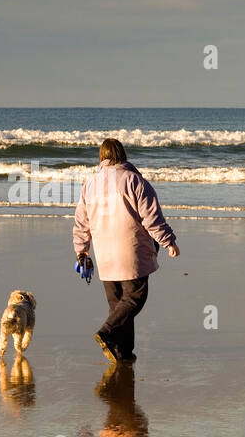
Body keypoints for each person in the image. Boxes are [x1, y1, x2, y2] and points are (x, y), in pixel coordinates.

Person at [72, 138, 179, 362]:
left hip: (104, 254)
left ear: (101, 158)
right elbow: (152, 219)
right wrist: (169, 242)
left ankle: (122, 352)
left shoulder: (89, 184)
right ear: (122, 155)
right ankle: (107, 331)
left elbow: (82, 222)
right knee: (135, 298)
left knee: (118, 305)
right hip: (131, 252)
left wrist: (82, 250)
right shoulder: (135, 181)